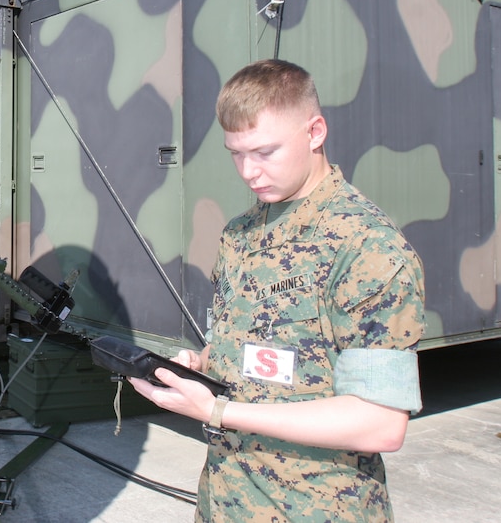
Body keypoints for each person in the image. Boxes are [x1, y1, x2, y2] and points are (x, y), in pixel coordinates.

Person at [130, 58, 424, 522]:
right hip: (225, 502)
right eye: (236, 153)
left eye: (265, 152)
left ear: (315, 132)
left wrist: (218, 410)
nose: (248, 171)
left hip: (317, 508)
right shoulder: (240, 235)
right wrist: (199, 365)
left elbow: (381, 424)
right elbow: (244, 349)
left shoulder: (367, 247)